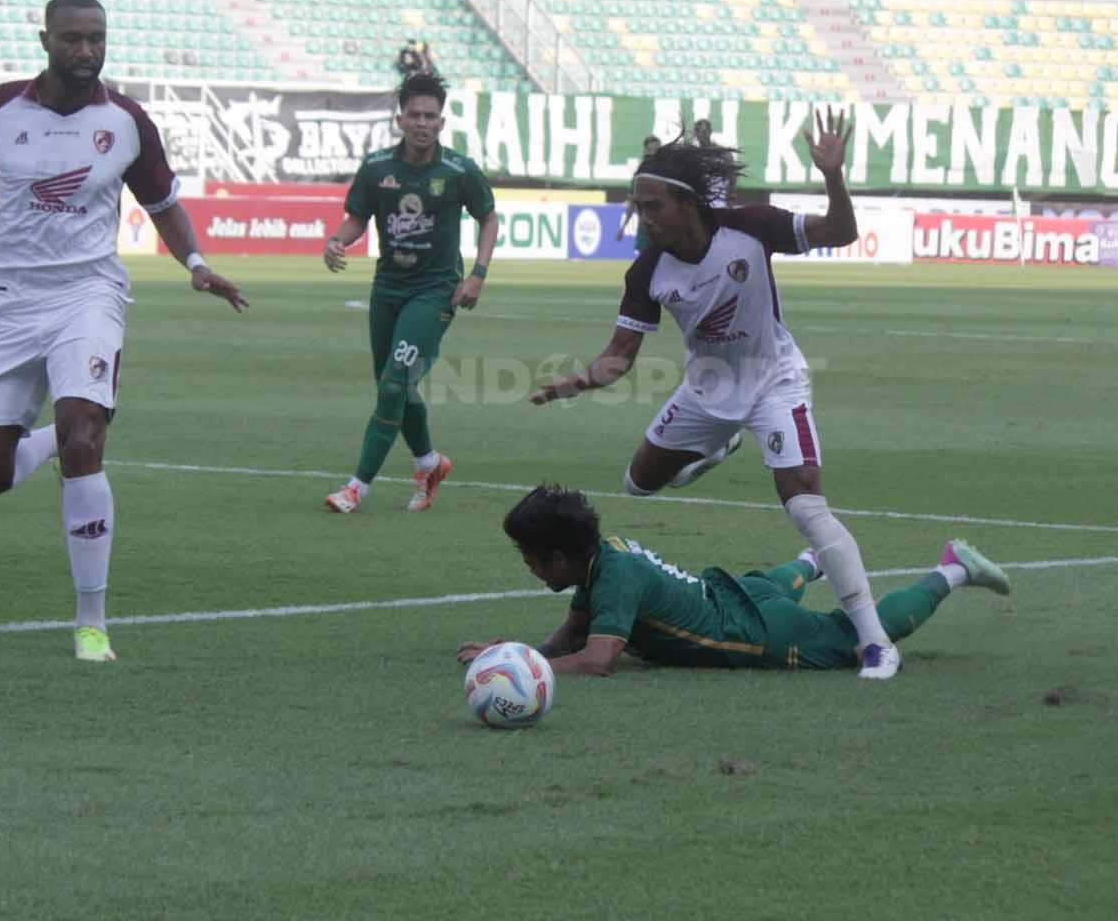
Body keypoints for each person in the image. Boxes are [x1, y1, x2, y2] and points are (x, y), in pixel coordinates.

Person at [0, 0, 249, 663]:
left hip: (86, 294)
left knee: (87, 433)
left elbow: (164, 203)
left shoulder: (126, 120)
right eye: (72, 38)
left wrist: (197, 263)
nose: (86, 50)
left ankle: (91, 622)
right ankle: (54, 439)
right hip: (6, 303)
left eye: (96, 37)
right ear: (45, 40)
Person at [527, 112, 909, 680]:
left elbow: (840, 233)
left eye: (653, 205)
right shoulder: (647, 271)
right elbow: (621, 354)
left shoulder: (751, 227)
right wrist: (579, 381)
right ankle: (716, 447)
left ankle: (874, 641)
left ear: (687, 203)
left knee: (805, 503)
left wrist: (834, 176)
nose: (643, 216)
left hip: (774, 381)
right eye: (639, 205)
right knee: (639, 483)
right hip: (706, 393)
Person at [457, 484, 1012, 675]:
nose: (528, 566)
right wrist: (508, 655)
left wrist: (530, 671)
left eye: (531, 556)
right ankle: (818, 556)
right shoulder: (601, 564)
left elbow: (599, 661)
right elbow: (566, 641)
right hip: (734, 593)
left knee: (853, 638)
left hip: (754, 631)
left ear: (561, 555)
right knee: (767, 581)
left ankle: (953, 567)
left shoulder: (615, 577)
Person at [320, 71, 499, 514]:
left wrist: (476, 274)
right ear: (400, 119)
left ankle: (356, 488)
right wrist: (337, 240)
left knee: (394, 383)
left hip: (435, 291)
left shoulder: (459, 171)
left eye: (431, 116)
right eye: (414, 114)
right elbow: (357, 217)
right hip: (387, 289)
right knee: (394, 385)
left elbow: (489, 218)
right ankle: (429, 463)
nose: (422, 122)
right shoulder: (377, 168)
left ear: (442, 121)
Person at [620, 135, 663, 248]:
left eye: (657, 151)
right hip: (645, 230)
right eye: (650, 150)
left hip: (664, 229)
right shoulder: (638, 177)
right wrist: (623, 227)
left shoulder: (667, 175)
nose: (653, 154)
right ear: (645, 151)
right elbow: (632, 203)